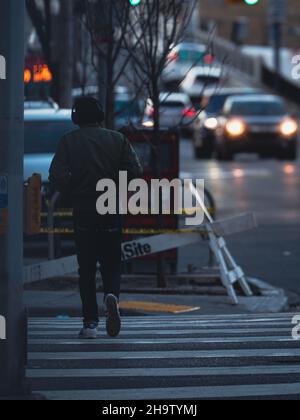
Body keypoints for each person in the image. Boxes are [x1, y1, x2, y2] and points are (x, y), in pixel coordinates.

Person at [49, 97, 143, 339]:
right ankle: (111, 295)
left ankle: (90, 323)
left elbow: (56, 175)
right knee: (112, 262)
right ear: (100, 115)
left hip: (83, 211)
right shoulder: (118, 139)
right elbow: (135, 170)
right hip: (110, 207)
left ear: (75, 117)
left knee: (87, 269)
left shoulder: (68, 141)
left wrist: (72, 189)